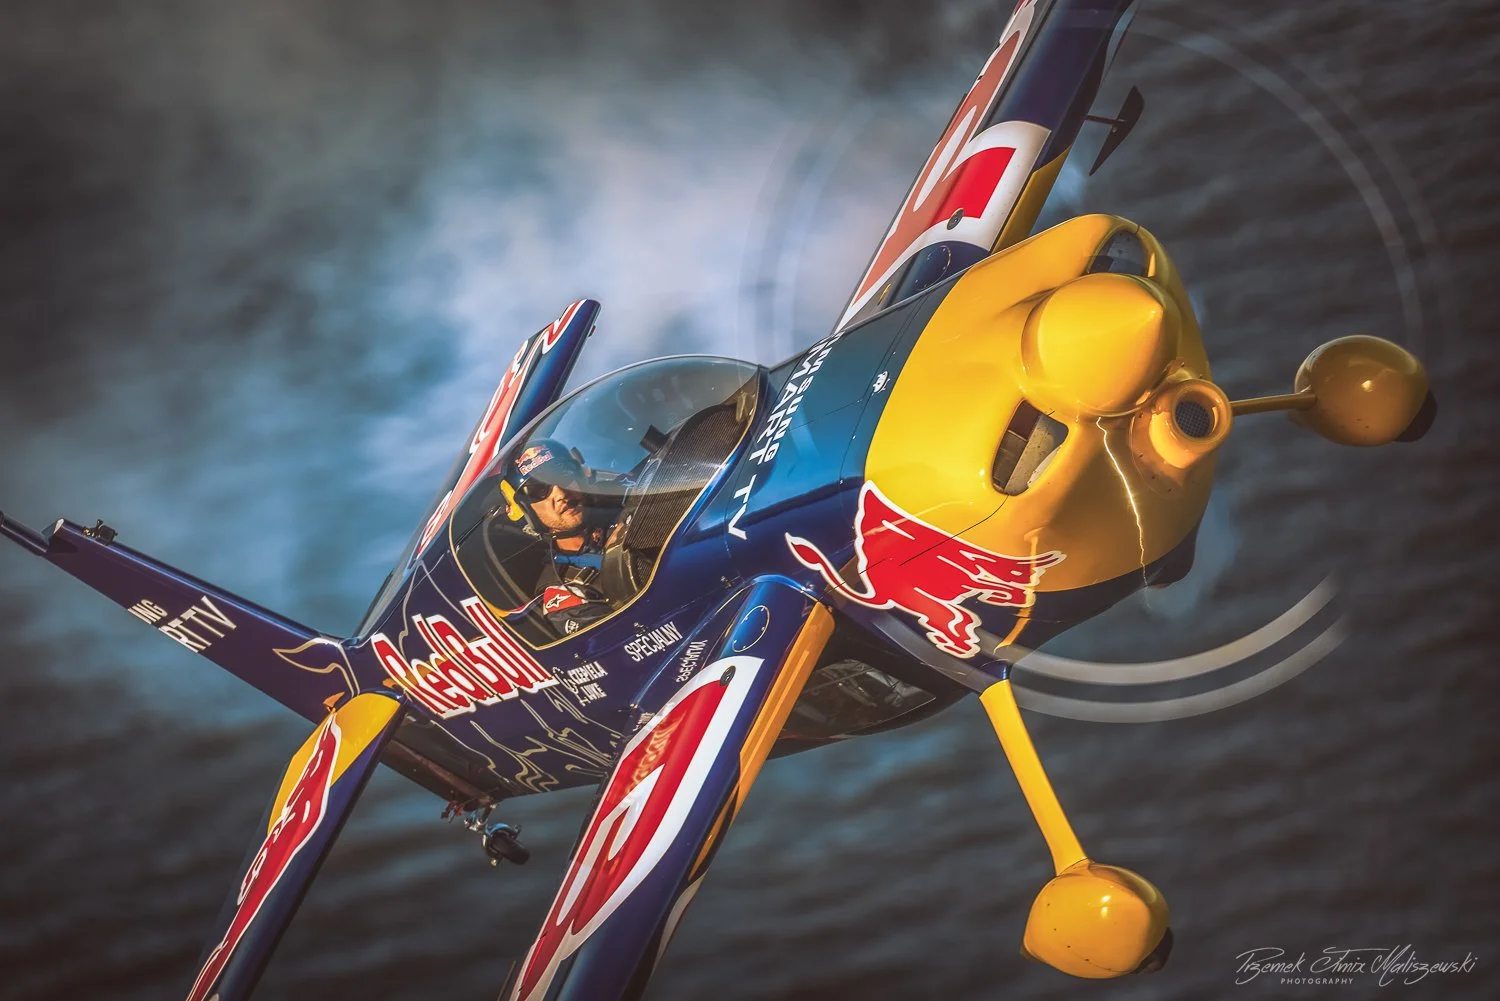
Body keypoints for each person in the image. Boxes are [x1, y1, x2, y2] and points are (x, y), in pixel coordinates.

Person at [505, 439, 624, 632]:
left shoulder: (625, 494)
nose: (560, 494)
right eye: (537, 490)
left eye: (561, 474)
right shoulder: (564, 595)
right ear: (526, 510)